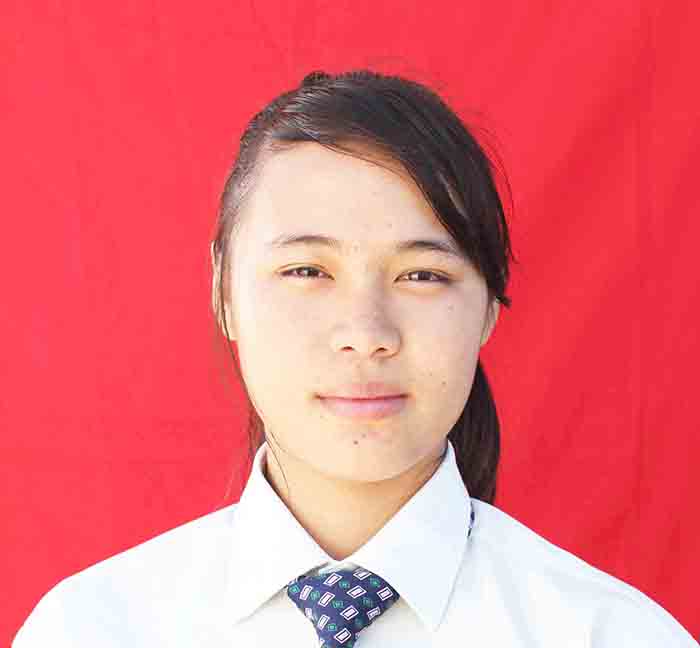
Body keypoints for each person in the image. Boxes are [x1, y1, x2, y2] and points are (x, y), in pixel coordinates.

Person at [12, 69, 698, 647]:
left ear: (490, 304)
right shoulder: (91, 629)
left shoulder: (615, 636)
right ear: (223, 291)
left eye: (422, 275)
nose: (366, 334)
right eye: (307, 271)